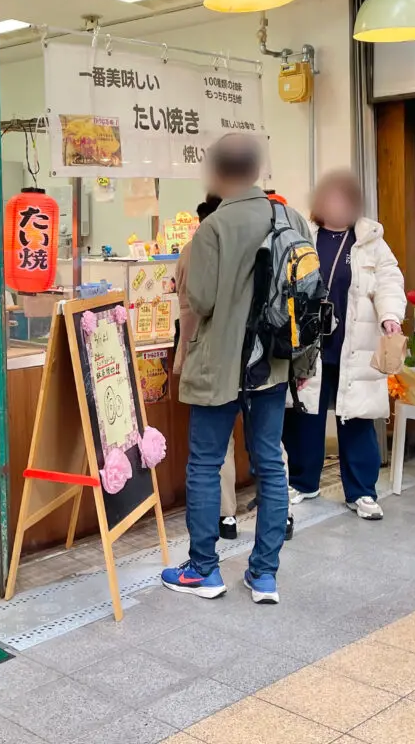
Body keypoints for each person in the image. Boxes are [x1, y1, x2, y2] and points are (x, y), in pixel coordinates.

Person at [161, 133, 311, 605]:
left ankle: (204, 569)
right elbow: (305, 292)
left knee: (206, 462)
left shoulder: (214, 228)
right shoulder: (291, 217)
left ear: (219, 172)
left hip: (221, 363)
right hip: (274, 361)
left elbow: (200, 300)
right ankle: (264, 574)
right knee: (270, 462)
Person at [282, 170, 405, 520]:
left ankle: (362, 492)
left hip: (356, 342)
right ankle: (304, 482)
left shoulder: (370, 240)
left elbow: (390, 282)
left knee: (357, 418)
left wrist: (391, 315)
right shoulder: (307, 236)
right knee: (305, 414)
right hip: (312, 345)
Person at [174, 195, 238, 540]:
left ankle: (222, 518)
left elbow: (190, 309)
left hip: (205, 358)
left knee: (212, 445)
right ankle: (277, 513)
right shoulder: (239, 250)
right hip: (246, 360)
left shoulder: (192, 252)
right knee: (266, 445)